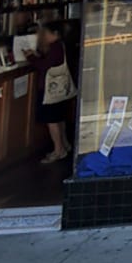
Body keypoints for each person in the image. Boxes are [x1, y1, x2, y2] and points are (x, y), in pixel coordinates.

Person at [26, 21, 76, 164]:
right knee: (59, 117)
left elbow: (44, 66)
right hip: (60, 89)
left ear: (54, 34)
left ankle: (58, 150)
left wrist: (31, 57)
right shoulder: (60, 46)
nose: (43, 36)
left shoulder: (55, 48)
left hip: (50, 90)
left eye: (45, 34)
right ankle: (64, 144)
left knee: (51, 120)